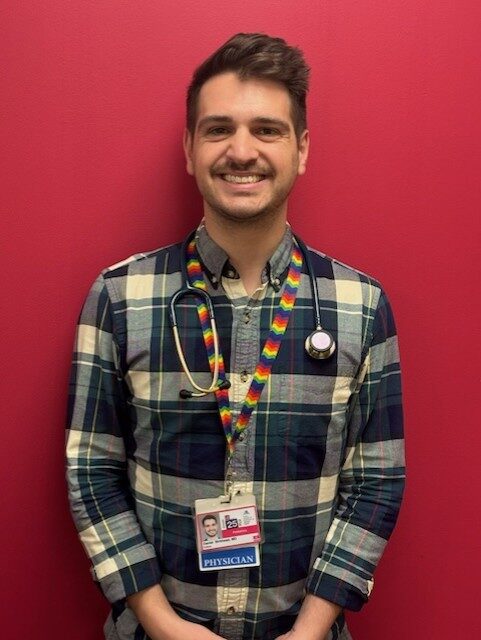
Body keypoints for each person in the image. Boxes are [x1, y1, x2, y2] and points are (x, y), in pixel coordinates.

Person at [66, 33, 405, 640]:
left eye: (268, 130)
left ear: (301, 150)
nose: (241, 151)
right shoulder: (119, 296)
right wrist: (162, 623)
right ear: (190, 151)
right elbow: (90, 468)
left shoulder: (362, 306)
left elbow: (376, 481)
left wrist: (309, 631)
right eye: (218, 129)